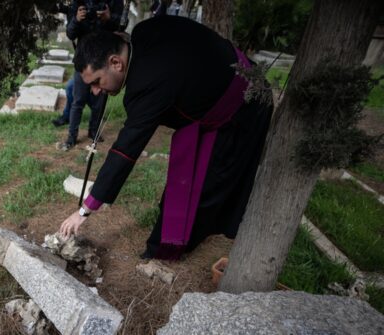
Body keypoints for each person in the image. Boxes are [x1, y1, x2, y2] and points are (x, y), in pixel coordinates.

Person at [59, 16, 273, 261]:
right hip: (232, 85)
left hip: (244, 106)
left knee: (207, 186)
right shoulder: (143, 33)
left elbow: (125, 151)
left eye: (96, 82)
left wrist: (85, 210)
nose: (96, 91)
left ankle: (177, 245)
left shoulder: (146, 83)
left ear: (116, 62)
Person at [60, 0, 124, 149]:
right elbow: (70, 33)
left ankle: (93, 131)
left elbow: (121, 26)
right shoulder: (78, 3)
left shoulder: (114, 2)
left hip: (104, 61)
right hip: (83, 61)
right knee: (78, 101)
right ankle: (72, 136)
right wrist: (76, 19)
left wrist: (109, 19)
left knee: (99, 103)